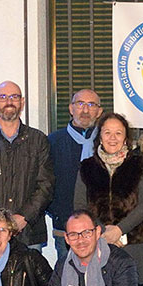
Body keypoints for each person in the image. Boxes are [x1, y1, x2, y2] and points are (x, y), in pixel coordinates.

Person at [0, 81, 54, 248]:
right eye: (3, 97)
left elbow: (46, 185)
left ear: (22, 102)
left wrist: (24, 217)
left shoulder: (39, 140)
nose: (9, 101)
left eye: (14, 97)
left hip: (29, 232)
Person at [75, 112, 143, 286]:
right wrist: (103, 231)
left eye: (118, 133)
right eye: (107, 132)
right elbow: (80, 207)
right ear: (100, 137)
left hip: (134, 244)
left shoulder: (139, 164)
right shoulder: (87, 167)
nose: (113, 138)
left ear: (126, 138)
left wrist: (119, 230)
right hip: (97, 243)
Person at [47, 88, 103, 256]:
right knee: (68, 277)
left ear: (99, 111)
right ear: (71, 109)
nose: (85, 110)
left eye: (91, 105)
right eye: (80, 104)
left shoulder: (107, 140)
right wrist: (57, 213)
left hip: (101, 227)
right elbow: (44, 182)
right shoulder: (53, 141)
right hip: (66, 227)